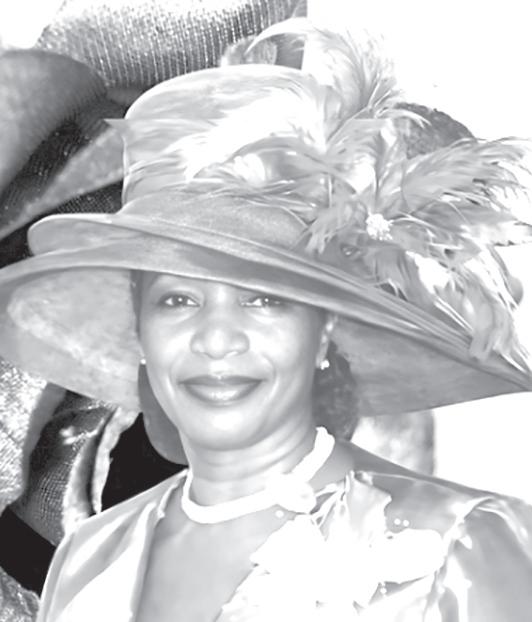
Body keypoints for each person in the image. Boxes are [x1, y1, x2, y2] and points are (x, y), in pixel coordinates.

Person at [0, 19, 531, 621]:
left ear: (325, 327)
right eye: (178, 300)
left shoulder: (463, 543)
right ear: (139, 328)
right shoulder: (89, 559)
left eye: (263, 300)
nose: (216, 338)